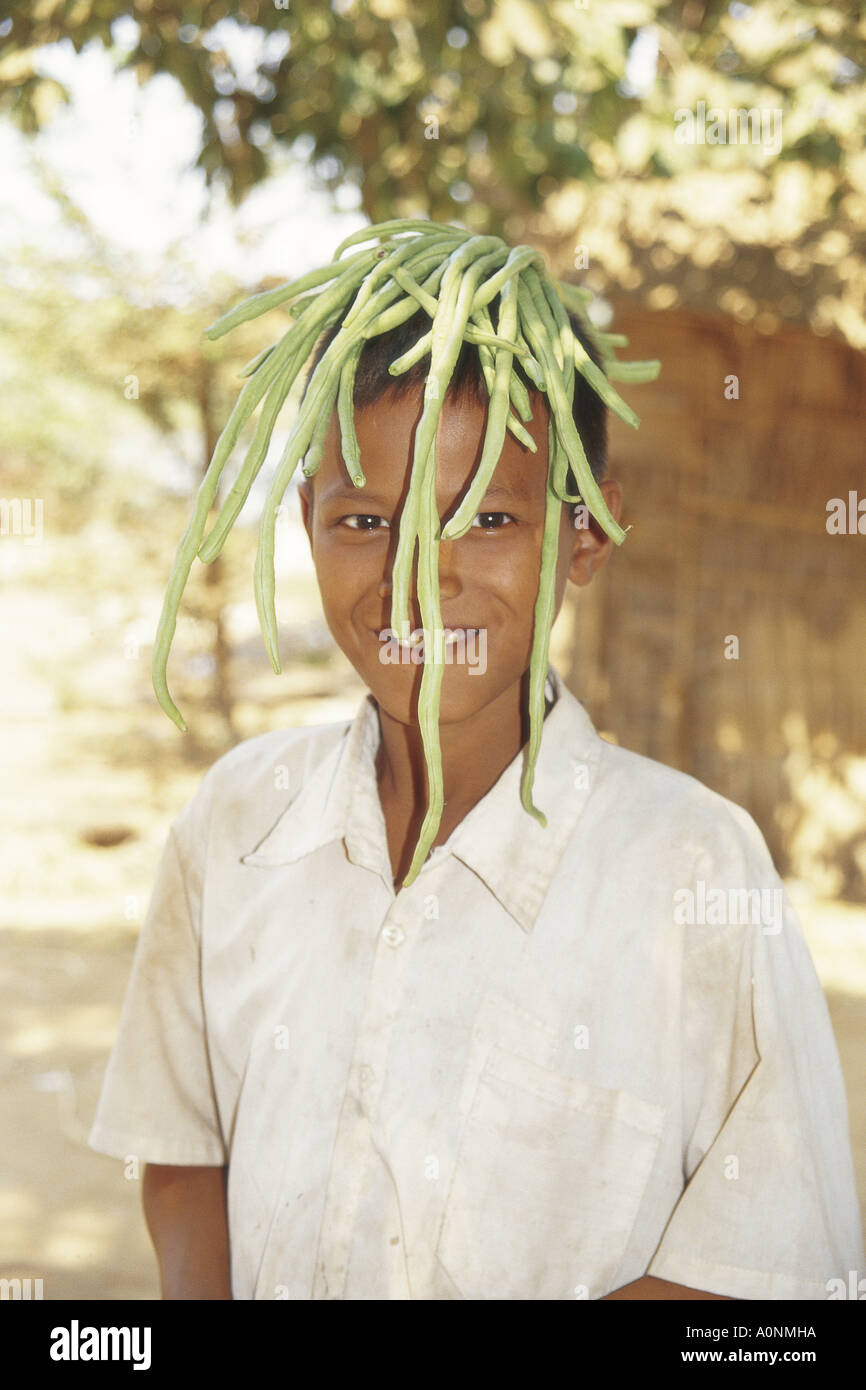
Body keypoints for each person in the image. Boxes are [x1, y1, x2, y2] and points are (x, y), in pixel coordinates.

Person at [89, 223, 864, 1300]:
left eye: (487, 517)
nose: (422, 578)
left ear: (585, 533)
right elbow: (181, 1146)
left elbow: (767, 1272)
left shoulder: (693, 869)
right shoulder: (235, 825)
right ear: (306, 525)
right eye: (367, 519)